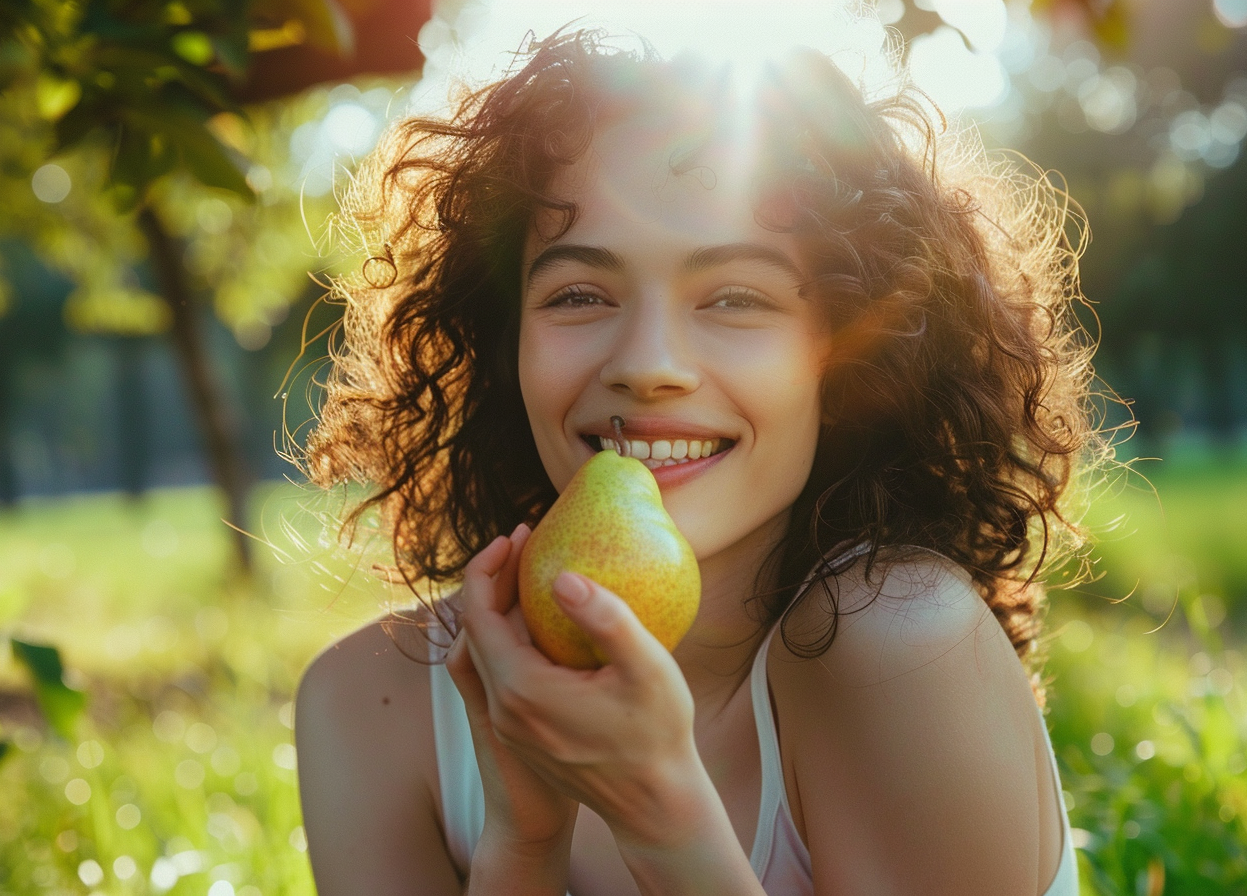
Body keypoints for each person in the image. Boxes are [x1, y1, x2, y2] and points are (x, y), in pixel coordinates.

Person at [293, 24, 1100, 896]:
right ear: (505, 344)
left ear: (845, 356)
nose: (647, 365)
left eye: (735, 298)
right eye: (578, 294)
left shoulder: (903, 645)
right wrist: (523, 845)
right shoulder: (368, 706)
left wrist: (661, 817)